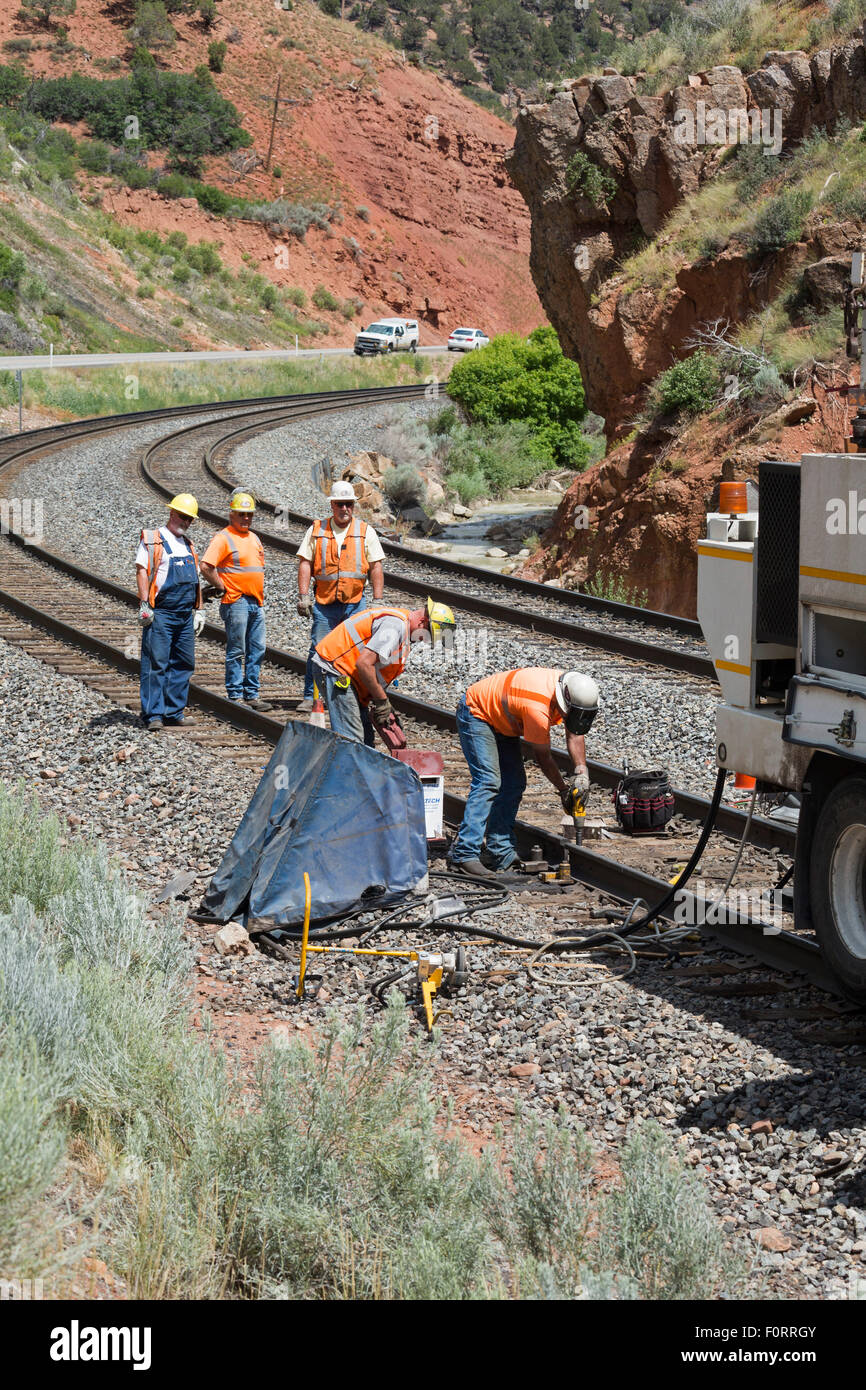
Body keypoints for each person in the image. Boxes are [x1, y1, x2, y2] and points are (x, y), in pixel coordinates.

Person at [448, 668, 599, 878]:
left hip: (504, 721)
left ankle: (499, 853)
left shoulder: (572, 686)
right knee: (488, 781)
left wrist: (581, 773)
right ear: (564, 701)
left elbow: (575, 732)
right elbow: (543, 758)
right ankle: (464, 855)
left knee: (513, 783)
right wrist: (564, 790)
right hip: (477, 713)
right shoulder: (537, 707)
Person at [312, 598, 456, 749]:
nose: (425, 641)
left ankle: (359, 770)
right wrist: (381, 701)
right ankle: (343, 770)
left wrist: (384, 703)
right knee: (351, 741)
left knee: (366, 741)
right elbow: (364, 663)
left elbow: (376, 669)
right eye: (428, 635)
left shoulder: (404, 631)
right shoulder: (395, 627)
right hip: (336, 670)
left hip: (351, 676)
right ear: (422, 621)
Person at [296, 480, 386, 713]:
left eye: (349, 504)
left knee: (355, 652)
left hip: (355, 603)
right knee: (318, 651)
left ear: (353, 506)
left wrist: (377, 601)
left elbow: (376, 567)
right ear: (332, 505)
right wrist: (303, 595)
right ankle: (311, 697)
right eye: (340, 504)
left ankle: (351, 696)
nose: (344, 509)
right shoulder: (316, 530)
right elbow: (305, 562)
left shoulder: (365, 531)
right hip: (324, 603)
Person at [136, 493, 206, 731]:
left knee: (184, 663)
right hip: (162, 613)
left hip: (185, 614)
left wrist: (200, 610)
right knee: (156, 663)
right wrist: (144, 603)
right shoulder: (153, 540)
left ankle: (173, 711)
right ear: (171, 513)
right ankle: (153, 714)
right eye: (183, 517)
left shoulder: (188, 544)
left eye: (190, 519)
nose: (186, 522)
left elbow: (195, 580)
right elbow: (142, 571)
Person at [200, 491, 272, 711]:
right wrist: (221, 586)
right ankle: (235, 695)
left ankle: (251, 694)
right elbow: (205, 566)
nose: (246, 518)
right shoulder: (223, 537)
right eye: (241, 514)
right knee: (237, 649)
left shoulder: (254, 538)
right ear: (232, 514)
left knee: (257, 649)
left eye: (249, 514)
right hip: (236, 600)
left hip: (256, 602)